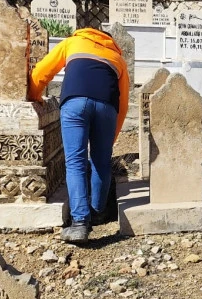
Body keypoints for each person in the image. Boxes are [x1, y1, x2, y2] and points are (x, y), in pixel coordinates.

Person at [29, 27, 130, 244]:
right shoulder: (117, 59)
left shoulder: (72, 43)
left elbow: (41, 72)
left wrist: (34, 96)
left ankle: (80, 223)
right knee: (101, 161)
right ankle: (98, 212)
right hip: (107, 108)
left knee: (75, 162)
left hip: (74, 104)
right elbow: (123, 104)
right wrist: (112, 135)